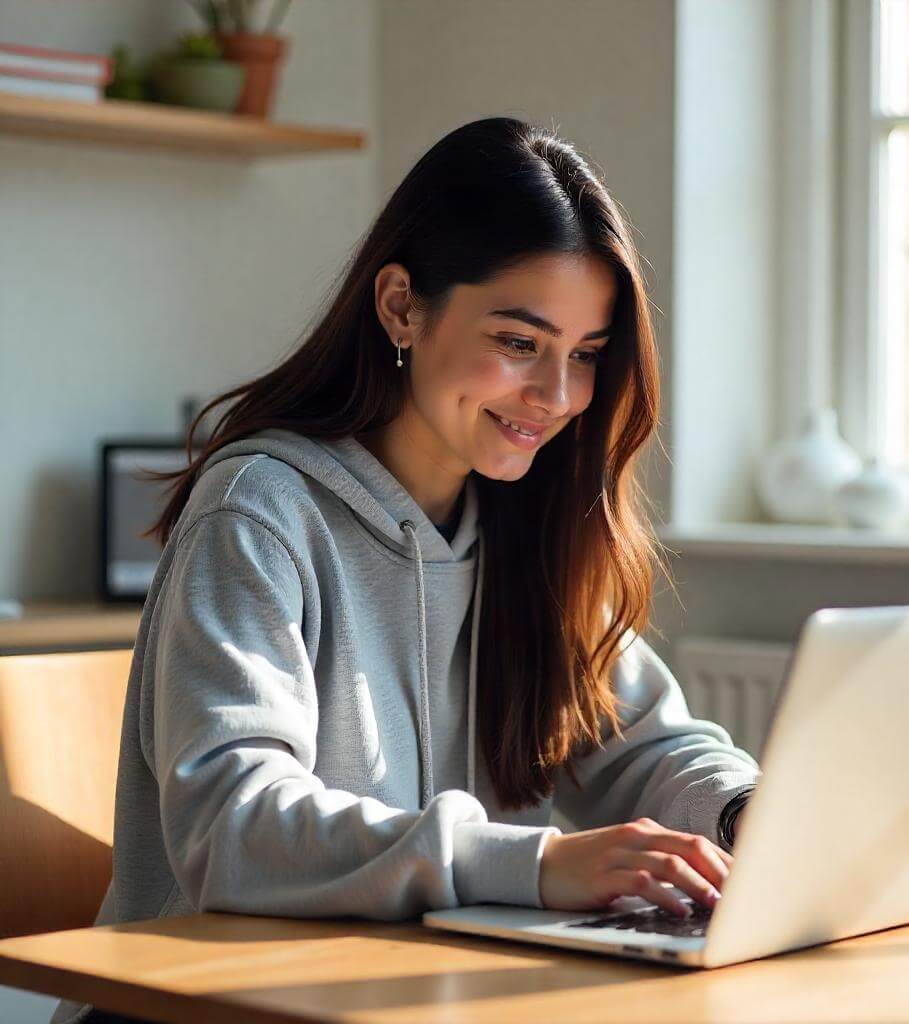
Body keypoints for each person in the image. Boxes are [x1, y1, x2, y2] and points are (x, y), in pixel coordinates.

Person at [51, 116, 759, 1024]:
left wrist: (743, 813)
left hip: (411, 997)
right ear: (400, 307)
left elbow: (645, 744)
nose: (555, 397)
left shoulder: (523, 521)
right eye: (518, 341)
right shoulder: (259, 513)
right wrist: (533, 865)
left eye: (584, 356)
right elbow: (233, 827)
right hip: (209, 1006)